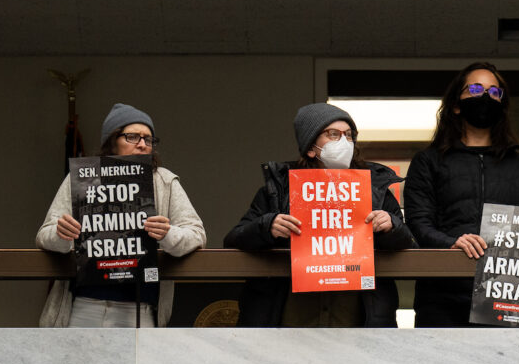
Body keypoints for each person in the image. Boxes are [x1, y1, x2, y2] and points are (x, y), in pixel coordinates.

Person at [224, 103, 413, 326]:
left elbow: (409, 241)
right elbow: (234, 239)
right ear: (311, 147)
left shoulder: (374, 189)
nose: (343, 142)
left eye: (349, 135)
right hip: (293, 317)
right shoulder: (279, 189)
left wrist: (391, 225)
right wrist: (267, 226)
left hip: (354, 316)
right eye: (333, 134)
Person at [403, 62, 519, 327]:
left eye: (495, 92)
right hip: (442, 294)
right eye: (475, 89)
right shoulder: (429, 162)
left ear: (502, 106)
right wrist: (452, 241)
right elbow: (418, 222)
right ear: (456, 104)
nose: (486, 97)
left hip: (509, 295)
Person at [37, 103, 207, 327]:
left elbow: (197, 235)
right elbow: (44, 235)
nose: (143, 144)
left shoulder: (165, 181)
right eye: (132, 137)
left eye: (148, 139)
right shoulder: (82, 180)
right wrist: (62, 235)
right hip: (84, 305)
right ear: (112, 141)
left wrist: (167, 234)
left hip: (139, 308)